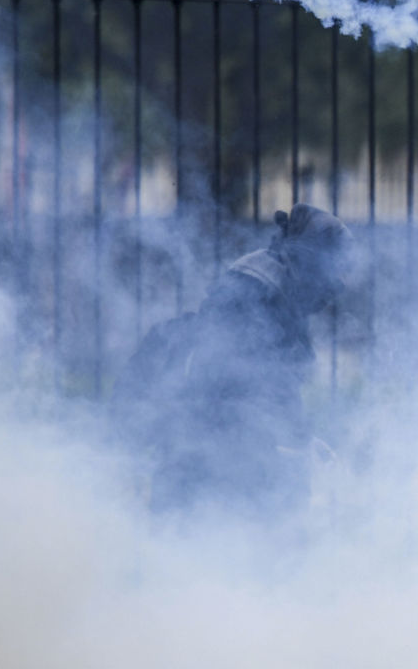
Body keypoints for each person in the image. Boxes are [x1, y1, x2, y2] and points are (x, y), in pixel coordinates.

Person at [113, 203, 354, 518]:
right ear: (310, 266)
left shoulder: (266, 293)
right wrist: (292, 451)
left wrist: (302, 441)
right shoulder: (259, 308)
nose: (335, 288)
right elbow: (241, 404)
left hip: (202, 483)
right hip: (214, 488)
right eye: (333, 273)